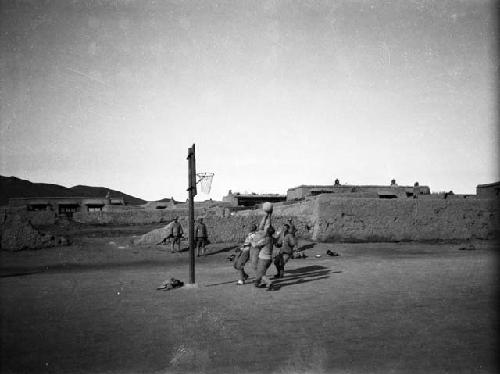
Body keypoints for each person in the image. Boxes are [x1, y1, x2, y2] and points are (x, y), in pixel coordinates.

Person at [254, 225, 278, 291]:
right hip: (269, 259)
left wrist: (252, 241)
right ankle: (258, 282)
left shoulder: (265, 239)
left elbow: (256, 245)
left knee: (261, 273)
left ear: (267, 232)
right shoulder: (272, 238)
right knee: (261, 271)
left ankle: (270, 284)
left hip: (263, 259)